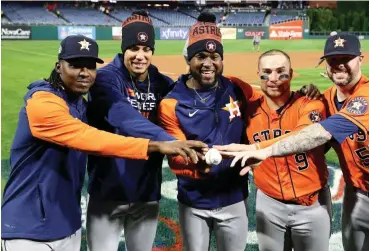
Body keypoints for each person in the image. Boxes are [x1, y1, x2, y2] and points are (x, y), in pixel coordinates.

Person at [1, 35, 206, 251]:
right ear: (58, 66)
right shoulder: (43, 102)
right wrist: (154, 145)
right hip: (27, 229)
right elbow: (89, 137)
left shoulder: (80, 104)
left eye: (90, 67)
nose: (84, 73)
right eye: (75, 65)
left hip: (67, 225)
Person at [218, 34, 369, 251]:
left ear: (360, 59)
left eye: (346, 58)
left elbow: (319, 133)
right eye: (333, 60)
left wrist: (260, 149)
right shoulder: (324, 100)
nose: (339, 65)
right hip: (357, 198)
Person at [85, 11, 204, 251]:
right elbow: (121, 115)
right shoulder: (106, 78)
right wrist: (167, 141)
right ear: (123, 49)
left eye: (146, 49)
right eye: (133, 48)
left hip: (146, 193)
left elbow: (193, 101)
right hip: (107, 191)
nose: (140, 56)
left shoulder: (161, 82)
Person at [218, 49, 331, 251]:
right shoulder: (249, 110)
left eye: (281, 72)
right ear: (258, 74)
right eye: (266, 72)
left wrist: (257, 148)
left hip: (313, 205)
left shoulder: (311, 104)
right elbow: (221, 80)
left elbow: (304, 135)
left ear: (292, 73)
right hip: (268, 204)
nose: (274, 78)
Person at [159, 17, 252, 251]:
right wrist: (198, 167)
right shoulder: (171, 102)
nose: (208, 63)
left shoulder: (237, 88)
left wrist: (303, 93)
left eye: (214, 57)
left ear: (221, 59)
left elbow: (268, 110)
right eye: (200, 56)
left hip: (233, 197)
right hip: (194, 201)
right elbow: (175, 156)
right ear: (189, 60)